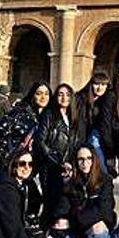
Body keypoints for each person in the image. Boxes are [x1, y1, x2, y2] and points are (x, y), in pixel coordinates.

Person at [64, 144, 116, 238]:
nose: (85, 163)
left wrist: (79, 218)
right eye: (80, 159)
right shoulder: (72, 180)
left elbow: (104, 209)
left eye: (88, 158)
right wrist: (65, 183)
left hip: (94, 225)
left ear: (94, 160)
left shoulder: (105, 180)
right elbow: (65, 208)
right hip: (77, 227)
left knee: (98, 228)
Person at [35, 83, 82, 228]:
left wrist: (72, 163)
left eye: (68, 94)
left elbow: (75, 142)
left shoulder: (73, 116)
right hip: (50, 166)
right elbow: (40, 141)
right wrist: (58, 161)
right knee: (50, 203)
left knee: (62, 204)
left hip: (67, 167)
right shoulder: (49, 114)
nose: (64, 98)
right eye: (60, 94)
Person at [0, 82, 52, 172]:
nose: (43, 97)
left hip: (30, 168)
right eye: (39, 93)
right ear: (32, 95)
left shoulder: (48, 118)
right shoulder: (19, 113)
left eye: (46, 94)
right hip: (10, 165)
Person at [77, 72, 110, 172]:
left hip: (96, 135)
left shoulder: (105, 100)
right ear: (91, 84)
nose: (100, 88)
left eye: (103, 84)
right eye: (97, 84)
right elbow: (80, 124)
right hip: (81, 136)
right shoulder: (80, 99)